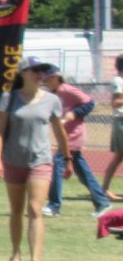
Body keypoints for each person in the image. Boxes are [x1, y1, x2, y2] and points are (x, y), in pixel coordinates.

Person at [0, 62, 68, 261]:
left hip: (41, 160)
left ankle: (36, 258)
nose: (40, 75)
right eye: (36, 70)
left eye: (43, 71)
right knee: (16, 209)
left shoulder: (52, 100)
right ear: (23, 73)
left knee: (35, 209)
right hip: (13, 160)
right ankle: (16, 253)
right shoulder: (9, 98)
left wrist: (68, 157)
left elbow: (59, 131)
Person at [36, 62, 118, 216]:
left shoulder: (67, 89)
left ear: (55, 78)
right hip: (66, 136)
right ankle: (102, 202)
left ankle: (54, 206)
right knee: (82, 171)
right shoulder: (54, 94)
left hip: (73, 136)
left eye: (47, 80)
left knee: (57, 164)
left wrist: (74, 113)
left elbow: (90, 102)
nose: (44, 83)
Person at [104, 54, 123, 195]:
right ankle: (104, 189)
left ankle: (104, 188)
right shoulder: (118, 80)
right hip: (121, 120)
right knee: (118, 157)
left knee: (118, 157)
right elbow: (115, 103)